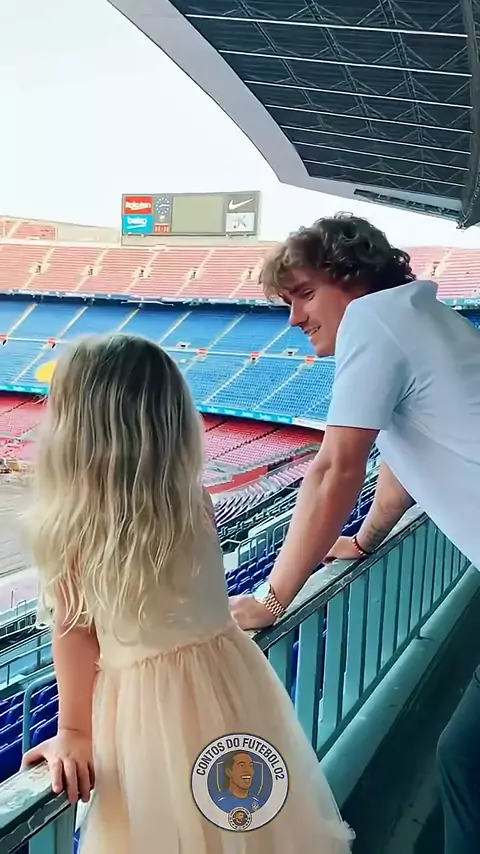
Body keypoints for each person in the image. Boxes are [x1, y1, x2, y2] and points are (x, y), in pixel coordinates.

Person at [21, 334, 353, 854]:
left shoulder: (75, 526)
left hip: (146, 712)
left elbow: (75, 631)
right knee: (243, 820)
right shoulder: (194, 499)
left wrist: (75, 731)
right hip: (228, 683)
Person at [229, 213, 480, 854]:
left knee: (466, 763)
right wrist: (365, 540)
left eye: (305, 294)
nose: (294, 318)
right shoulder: (418, 318)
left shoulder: (373, 320)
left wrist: (272, 598)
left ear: (353, 279)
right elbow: (399, 472)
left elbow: (335, 469)